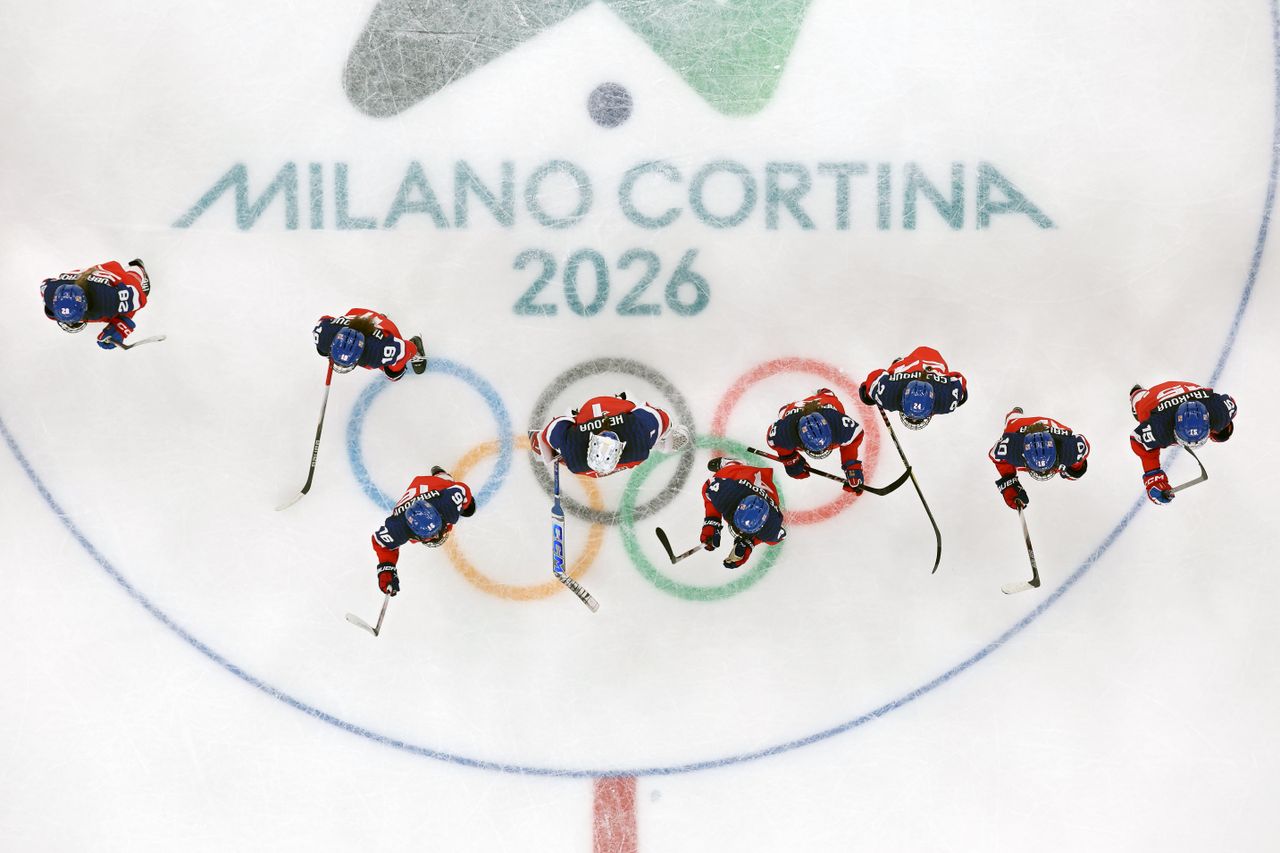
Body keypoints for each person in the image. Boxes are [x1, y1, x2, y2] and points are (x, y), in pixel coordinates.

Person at [529, 392, 690, 477]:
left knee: (650, 441)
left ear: (592, 444)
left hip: (587, 464)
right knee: (650, 438)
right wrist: (665, 441)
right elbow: (664, 419)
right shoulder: (637, 436)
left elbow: (546, 435)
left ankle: (660, 444)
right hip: (631, 447)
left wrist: (549, 448)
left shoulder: (573, 451)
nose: (606, 433)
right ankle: (660, 445)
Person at [371, 467, 476, 596]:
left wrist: (466, 503)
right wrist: (386, 569)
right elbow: (381, 543)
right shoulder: (400, 527)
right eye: (430, 535)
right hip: (418, 494)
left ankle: (440, 475)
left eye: (435, 531)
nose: (437, 536)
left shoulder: (448, 504)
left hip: (435, 487)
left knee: (469, 509)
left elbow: (462, 490)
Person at [1129, 382, 1237, 505]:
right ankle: (1137, 395)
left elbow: (1230, 404)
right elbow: (1137, 440)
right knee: (1141, 410)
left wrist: (1154, 477)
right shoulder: (1160, 428)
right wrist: (1153, 477)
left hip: (1183, 389)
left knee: (1223, 434)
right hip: (1152, 399)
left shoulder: (1221, 412)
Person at [765, 388, 865, 492]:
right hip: (795, 412)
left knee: (830, 399)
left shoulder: (837, 423)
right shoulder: (786, 432)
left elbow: (856, 435)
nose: (821, 451)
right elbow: (773, 440)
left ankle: (826, 394)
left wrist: (851, 467)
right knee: (784, 413)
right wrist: (790, 459)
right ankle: (791, 407)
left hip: (825, 405)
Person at [988, 408, 1090, 510]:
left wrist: (1075, 468)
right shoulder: (1012, 447)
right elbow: (996, 456)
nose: (1043, 472)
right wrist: (1009, 481)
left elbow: (1079, 455)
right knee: (1012, 423)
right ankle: (1014, 415)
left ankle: (1015, 415)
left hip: (1052, 435)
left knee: (1072, 473)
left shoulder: (1069, 450)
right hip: (1020, 427)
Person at [40, 259, 151, 350]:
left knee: (136, 284)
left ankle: (137, 268)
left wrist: (121, 326)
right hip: (83, 275)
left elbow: (140, 298)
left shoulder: (108, 299)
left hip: (111, 274)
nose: (72, 323)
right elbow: (46, 283)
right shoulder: (49, 293)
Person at [699, 458, 787, 569]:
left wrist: (749, 544)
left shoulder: (771, 528)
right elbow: (708, 485)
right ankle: (733, 463)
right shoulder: (729, 493)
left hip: (765, 486)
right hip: (740, 476)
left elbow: (780, 536)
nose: (740, 532)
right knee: (730, 470)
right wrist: (712, 521)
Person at [859, 345, 968, 429]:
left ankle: (901, 363)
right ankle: (901, 363)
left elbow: (875, 376)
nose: (914, 420)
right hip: (933, 361)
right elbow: (959, 380)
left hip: (926, 362)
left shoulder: (887, 394)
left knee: (894, 369)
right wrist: (868, 393)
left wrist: (867, 392)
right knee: (895, 369)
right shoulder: (887, 395)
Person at [314, 308, 425, 380]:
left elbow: (406, 349)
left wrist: (413, 348)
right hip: (356, 314)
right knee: (322, 350)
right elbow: (325, 320)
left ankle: (415, 343)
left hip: (384, 326)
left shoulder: (378, 351)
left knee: (394, 374)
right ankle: (373, 319)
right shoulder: (324, 335)